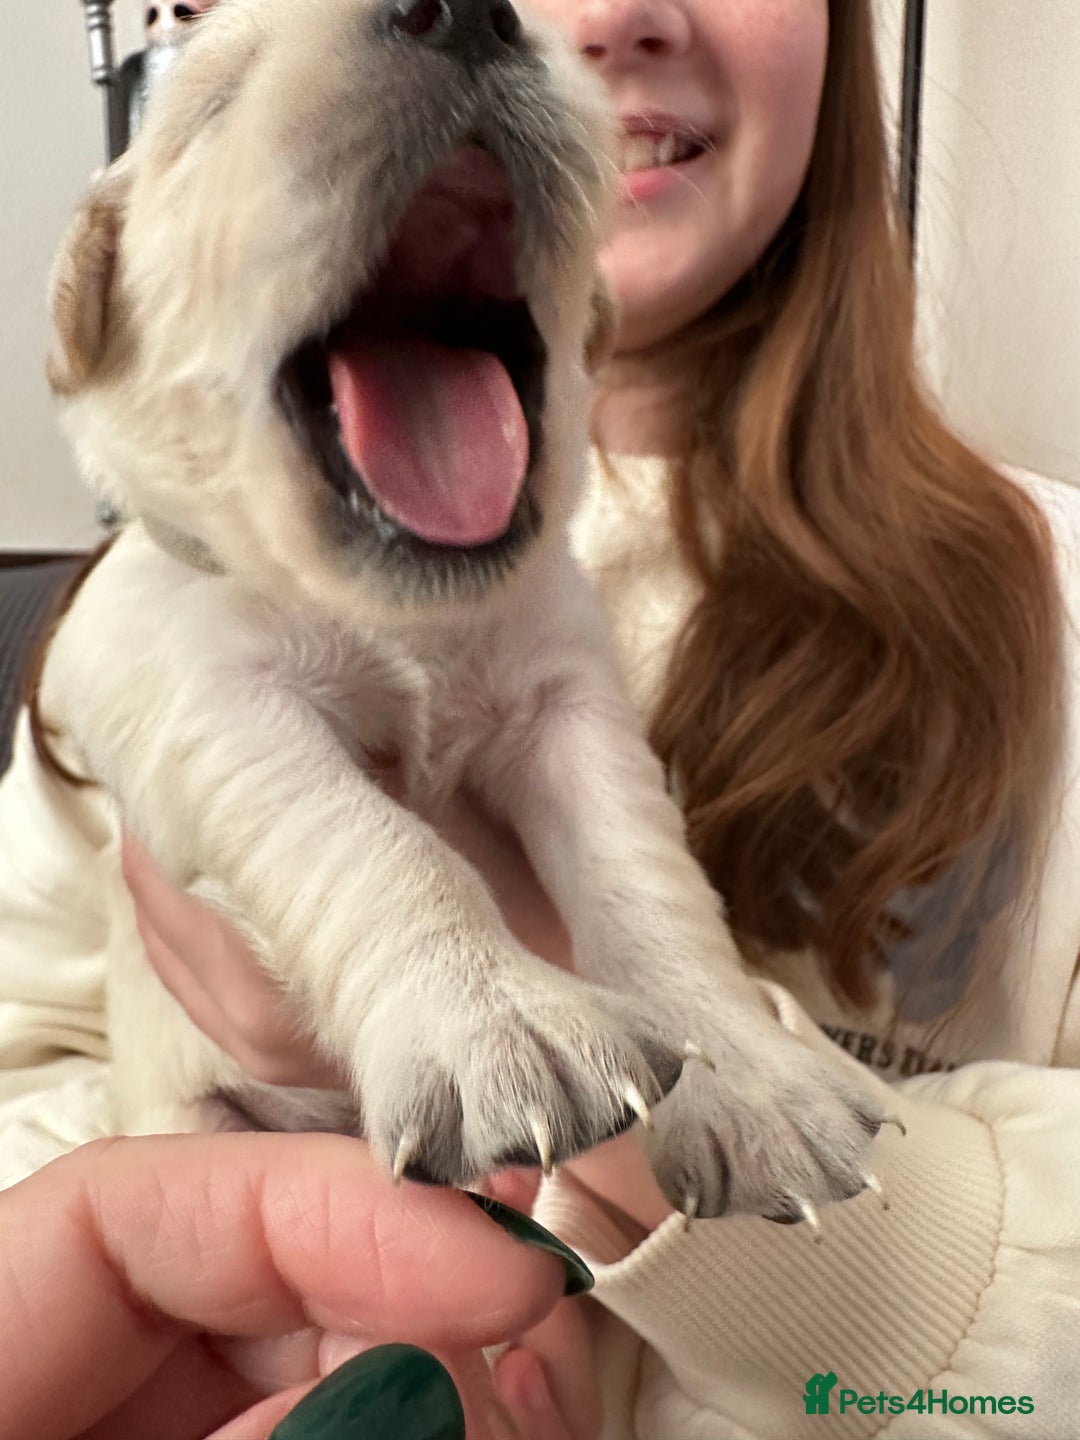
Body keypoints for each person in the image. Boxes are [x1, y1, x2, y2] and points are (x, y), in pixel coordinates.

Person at [2, 0, 1080, 1435]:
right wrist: (205, 1287)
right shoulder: (136, 616)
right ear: (102, 296)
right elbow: (32, 1063)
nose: (606, 11)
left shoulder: (1045, 614)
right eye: (220, 99)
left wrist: (867, 1269)